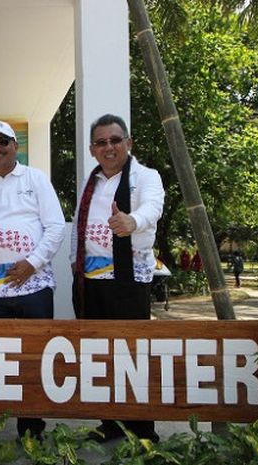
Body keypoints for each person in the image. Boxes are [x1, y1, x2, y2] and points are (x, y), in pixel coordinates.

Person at [0, 120, 65, 438]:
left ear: (15, 146)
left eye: (3, 141)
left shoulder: (35, 179)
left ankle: (31, 426)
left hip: (33, 285)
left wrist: (32, 263)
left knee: (34, 359)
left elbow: (56, 226)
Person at [71, 114, 164, 443]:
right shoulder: (90, 182)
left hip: (129, 282)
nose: (108, 147)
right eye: (101, 142)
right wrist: (74, 262)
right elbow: (77, 228)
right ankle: (109, 423)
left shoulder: (146, 176)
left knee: (133, 354)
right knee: (100, 355)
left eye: (114, 140)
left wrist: (132, 221)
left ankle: (142, 429)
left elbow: (153, 207)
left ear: (129, 143)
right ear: (93, 149)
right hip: (91, 282)